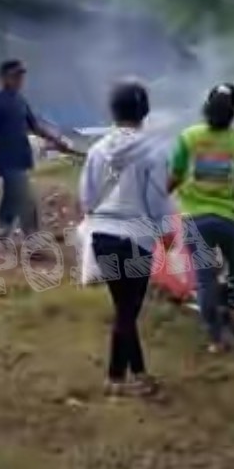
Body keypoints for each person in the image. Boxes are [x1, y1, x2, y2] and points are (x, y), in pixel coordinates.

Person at [78, 80, 177, 397]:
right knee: (127, 310)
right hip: (136, 240)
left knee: (125, 308)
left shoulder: (97, 151)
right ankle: (115, 378)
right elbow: (157, 200)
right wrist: (167, 236)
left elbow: (87, 198)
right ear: (144, 111)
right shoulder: (154, 152)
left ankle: (139, 374)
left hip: (104, 237)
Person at [169, 83, 234, 353]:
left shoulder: (189, 138)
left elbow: (174, 178)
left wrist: (154, 204)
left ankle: (216, 339)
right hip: (230, 220)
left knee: (205, 279)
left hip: (195, 221)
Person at [0, 59, 75, 242]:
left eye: (21, 76)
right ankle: (12, 236)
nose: (20, 80)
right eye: (16, 76)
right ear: (4, 78)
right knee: (18, 196)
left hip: (22, 158)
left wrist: (57, 141)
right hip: (6, 160)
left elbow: (35, 127)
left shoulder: (20, 100)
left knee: (18, 197)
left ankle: (21, 235)